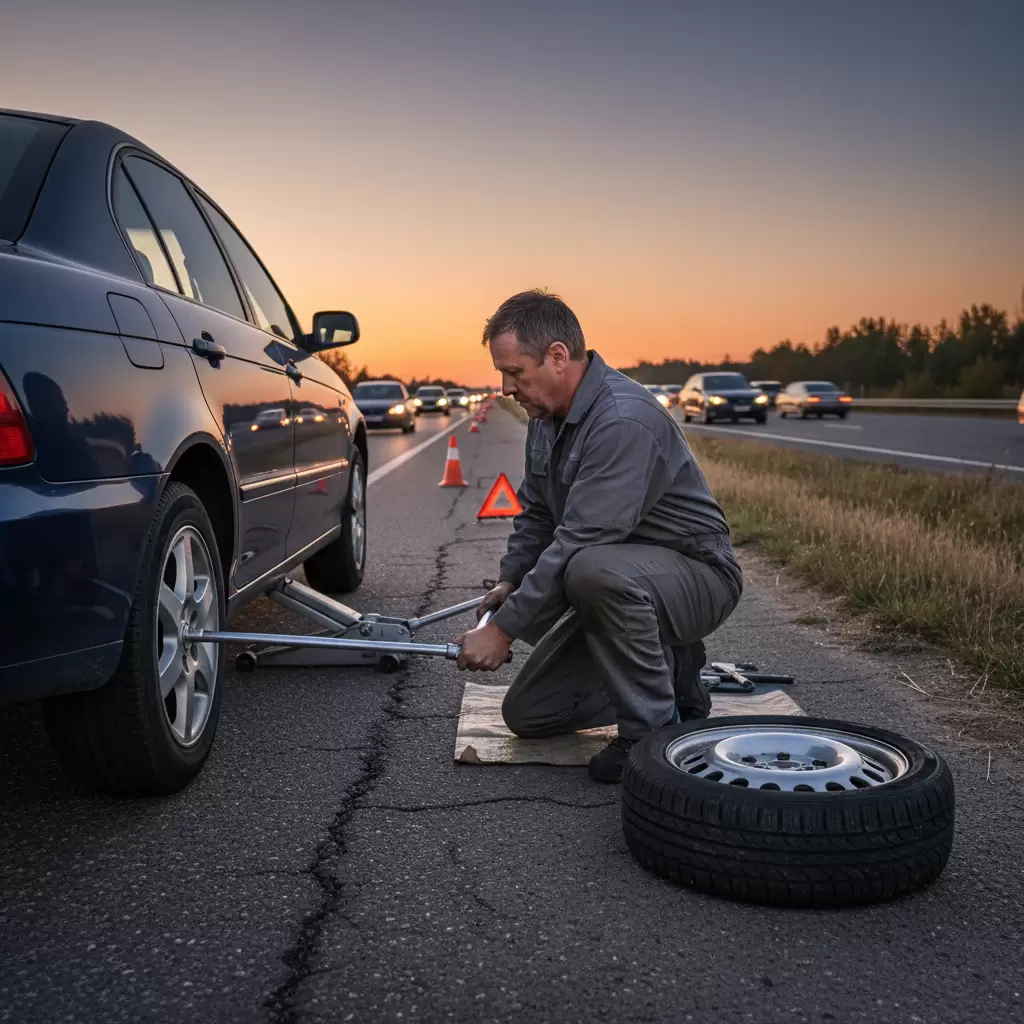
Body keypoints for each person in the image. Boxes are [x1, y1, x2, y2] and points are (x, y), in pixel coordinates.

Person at [455, 290, 743, 783]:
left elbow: (579, 541)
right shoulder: (546, 417)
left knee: (591, 570)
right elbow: (538, 514)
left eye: (515, 372)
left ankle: (650, 734)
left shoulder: (622, 420)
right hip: (625, 582)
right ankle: (672, 672)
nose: (506, 388)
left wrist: (504, 631)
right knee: (528, 715)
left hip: (697, 575)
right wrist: (510, 584)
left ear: (558, 356)